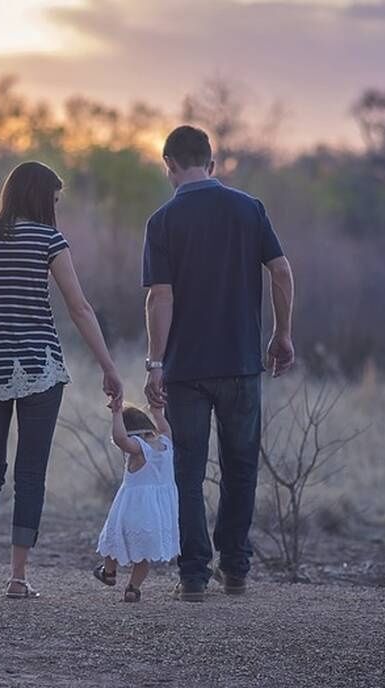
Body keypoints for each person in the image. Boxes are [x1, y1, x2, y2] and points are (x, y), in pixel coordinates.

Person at [0, 160, 123, 599]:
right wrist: (108, 366)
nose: (56, 209)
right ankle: (18, 578)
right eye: (54, 200)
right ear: (42, 198)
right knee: (30, 474)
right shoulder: (49, 240)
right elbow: (79, 308)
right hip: (39, 367)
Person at [141, 126, 296, 602]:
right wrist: (282, 333)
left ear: (168, 164)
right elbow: (281, 271)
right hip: (241, 362)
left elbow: (159, 297)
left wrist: (155, 362)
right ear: (212, 162)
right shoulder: (249, 210)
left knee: (187, 471)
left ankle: (193, 576)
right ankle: (235, 569)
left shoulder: (162, 221)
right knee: (240, 466)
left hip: (186, 369)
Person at [93, 402, 180, 603]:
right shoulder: (166, 443)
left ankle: (109, 572)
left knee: (113, 540)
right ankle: (133, 588)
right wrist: (157, 412)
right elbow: (165, 427)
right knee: (143, 554)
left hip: (132, 508)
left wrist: (116, 414)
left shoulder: (139, 448)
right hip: (157, 513)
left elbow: (120, 438)